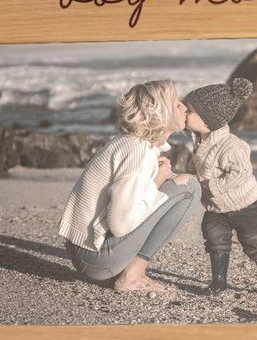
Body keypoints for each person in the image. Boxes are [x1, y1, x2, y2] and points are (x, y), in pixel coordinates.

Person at [59, 79, 201, 292]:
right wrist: (159, 181)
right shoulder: (138, 152)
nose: (183, 106)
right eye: (175, 103)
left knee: (177, 185)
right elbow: (121, 224)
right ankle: (132, 276)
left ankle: (128, 272)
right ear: (158, 112)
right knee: (189, 188)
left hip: (88, 251)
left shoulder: (135, 144)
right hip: (96, 257)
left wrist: (159, 182)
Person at [184, 78, 257, 322]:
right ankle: (219, 281)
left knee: (254, 241)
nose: (185, 113)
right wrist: (190, 172)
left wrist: (211, 186)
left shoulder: (233, 146)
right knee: (214, 236)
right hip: (216, 207)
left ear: (208, 118)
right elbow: (200, 165)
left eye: (190, 111)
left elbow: (239, 173)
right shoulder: (200, 141)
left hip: (244, 205)